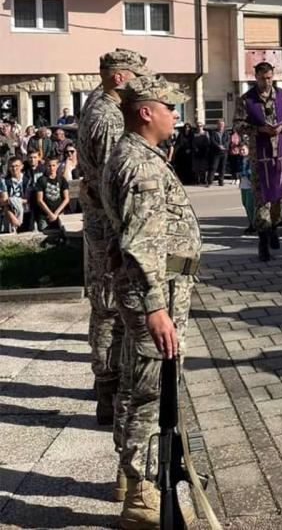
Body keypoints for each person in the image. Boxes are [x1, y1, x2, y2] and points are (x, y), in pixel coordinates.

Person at [101, 75, 200, 529]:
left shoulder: (140, 155)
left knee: (138, 385)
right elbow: (140, 245)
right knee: (147, 392)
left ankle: (130, 480)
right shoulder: (139, 164)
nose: (175, 114)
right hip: (153, 297)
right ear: (146, 112)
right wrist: (156, 309)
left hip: (154, 292)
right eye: (169, 107)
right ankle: (140, 494)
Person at [77, 49, 151, 482]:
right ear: (120, 77)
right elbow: (111, 183)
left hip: (100, 222)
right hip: (109, 227)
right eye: (137, 76)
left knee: (105, 308)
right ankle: (108, 390)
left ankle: (107, 387)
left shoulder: (99, 103)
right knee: (108, 310)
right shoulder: (107, 116)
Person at [233, 61, 282, 261]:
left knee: (280, 198)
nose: (266, 82)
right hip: (259, 157)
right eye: (263, 78)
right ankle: (263, 242)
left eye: (270, 78)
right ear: (256, 78)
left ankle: (273, 228)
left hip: (281, 156)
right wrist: (258, 130)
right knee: (262, 198)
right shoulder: (246, 100)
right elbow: (238, 124)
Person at [34, 157, 70, 230]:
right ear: (46, 166)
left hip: (59, 212)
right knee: (44, 231)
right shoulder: (41, 180)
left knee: (64, 229)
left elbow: (66, 199)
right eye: (49, 166)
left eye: (53, 165)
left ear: (57, 166)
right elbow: (39, 200)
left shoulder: (62, 179)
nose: (51, 168)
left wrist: (56, 213)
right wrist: (50, 214)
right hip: (45, 214)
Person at [1, 157, 30, 233]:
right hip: (10, 212)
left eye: (17, 166)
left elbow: (28, 199)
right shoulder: (4, 181)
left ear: (22, 166)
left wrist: (13, 200)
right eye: (12, 166)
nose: (14, 168)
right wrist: (12, 217)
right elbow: (4, 201)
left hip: (26, 212)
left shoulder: (27, 179)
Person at [207, 119, 230, 186]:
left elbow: (228, 141)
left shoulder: (226, 133)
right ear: (217, 125)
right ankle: (210, 181)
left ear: (224, 125)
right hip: (216, 152)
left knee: (222, 167)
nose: (221, 126)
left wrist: (224, 146)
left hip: (224, 152)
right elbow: (212, 141)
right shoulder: (213, 132)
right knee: (214, 167)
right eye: (220, 124)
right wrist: (218, 146)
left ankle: (221, 181)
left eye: (222, 124)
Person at [239, 145, 255, 235]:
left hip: (250, 185)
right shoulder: (240, 160)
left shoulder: (251, 160)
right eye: (241, 150)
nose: (242, 151)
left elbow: (251, 172)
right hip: (243, 185)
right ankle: (251, 223)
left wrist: (244, 173)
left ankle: (253, 225)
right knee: (245, 204)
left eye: (244, 149)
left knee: (250, 206)